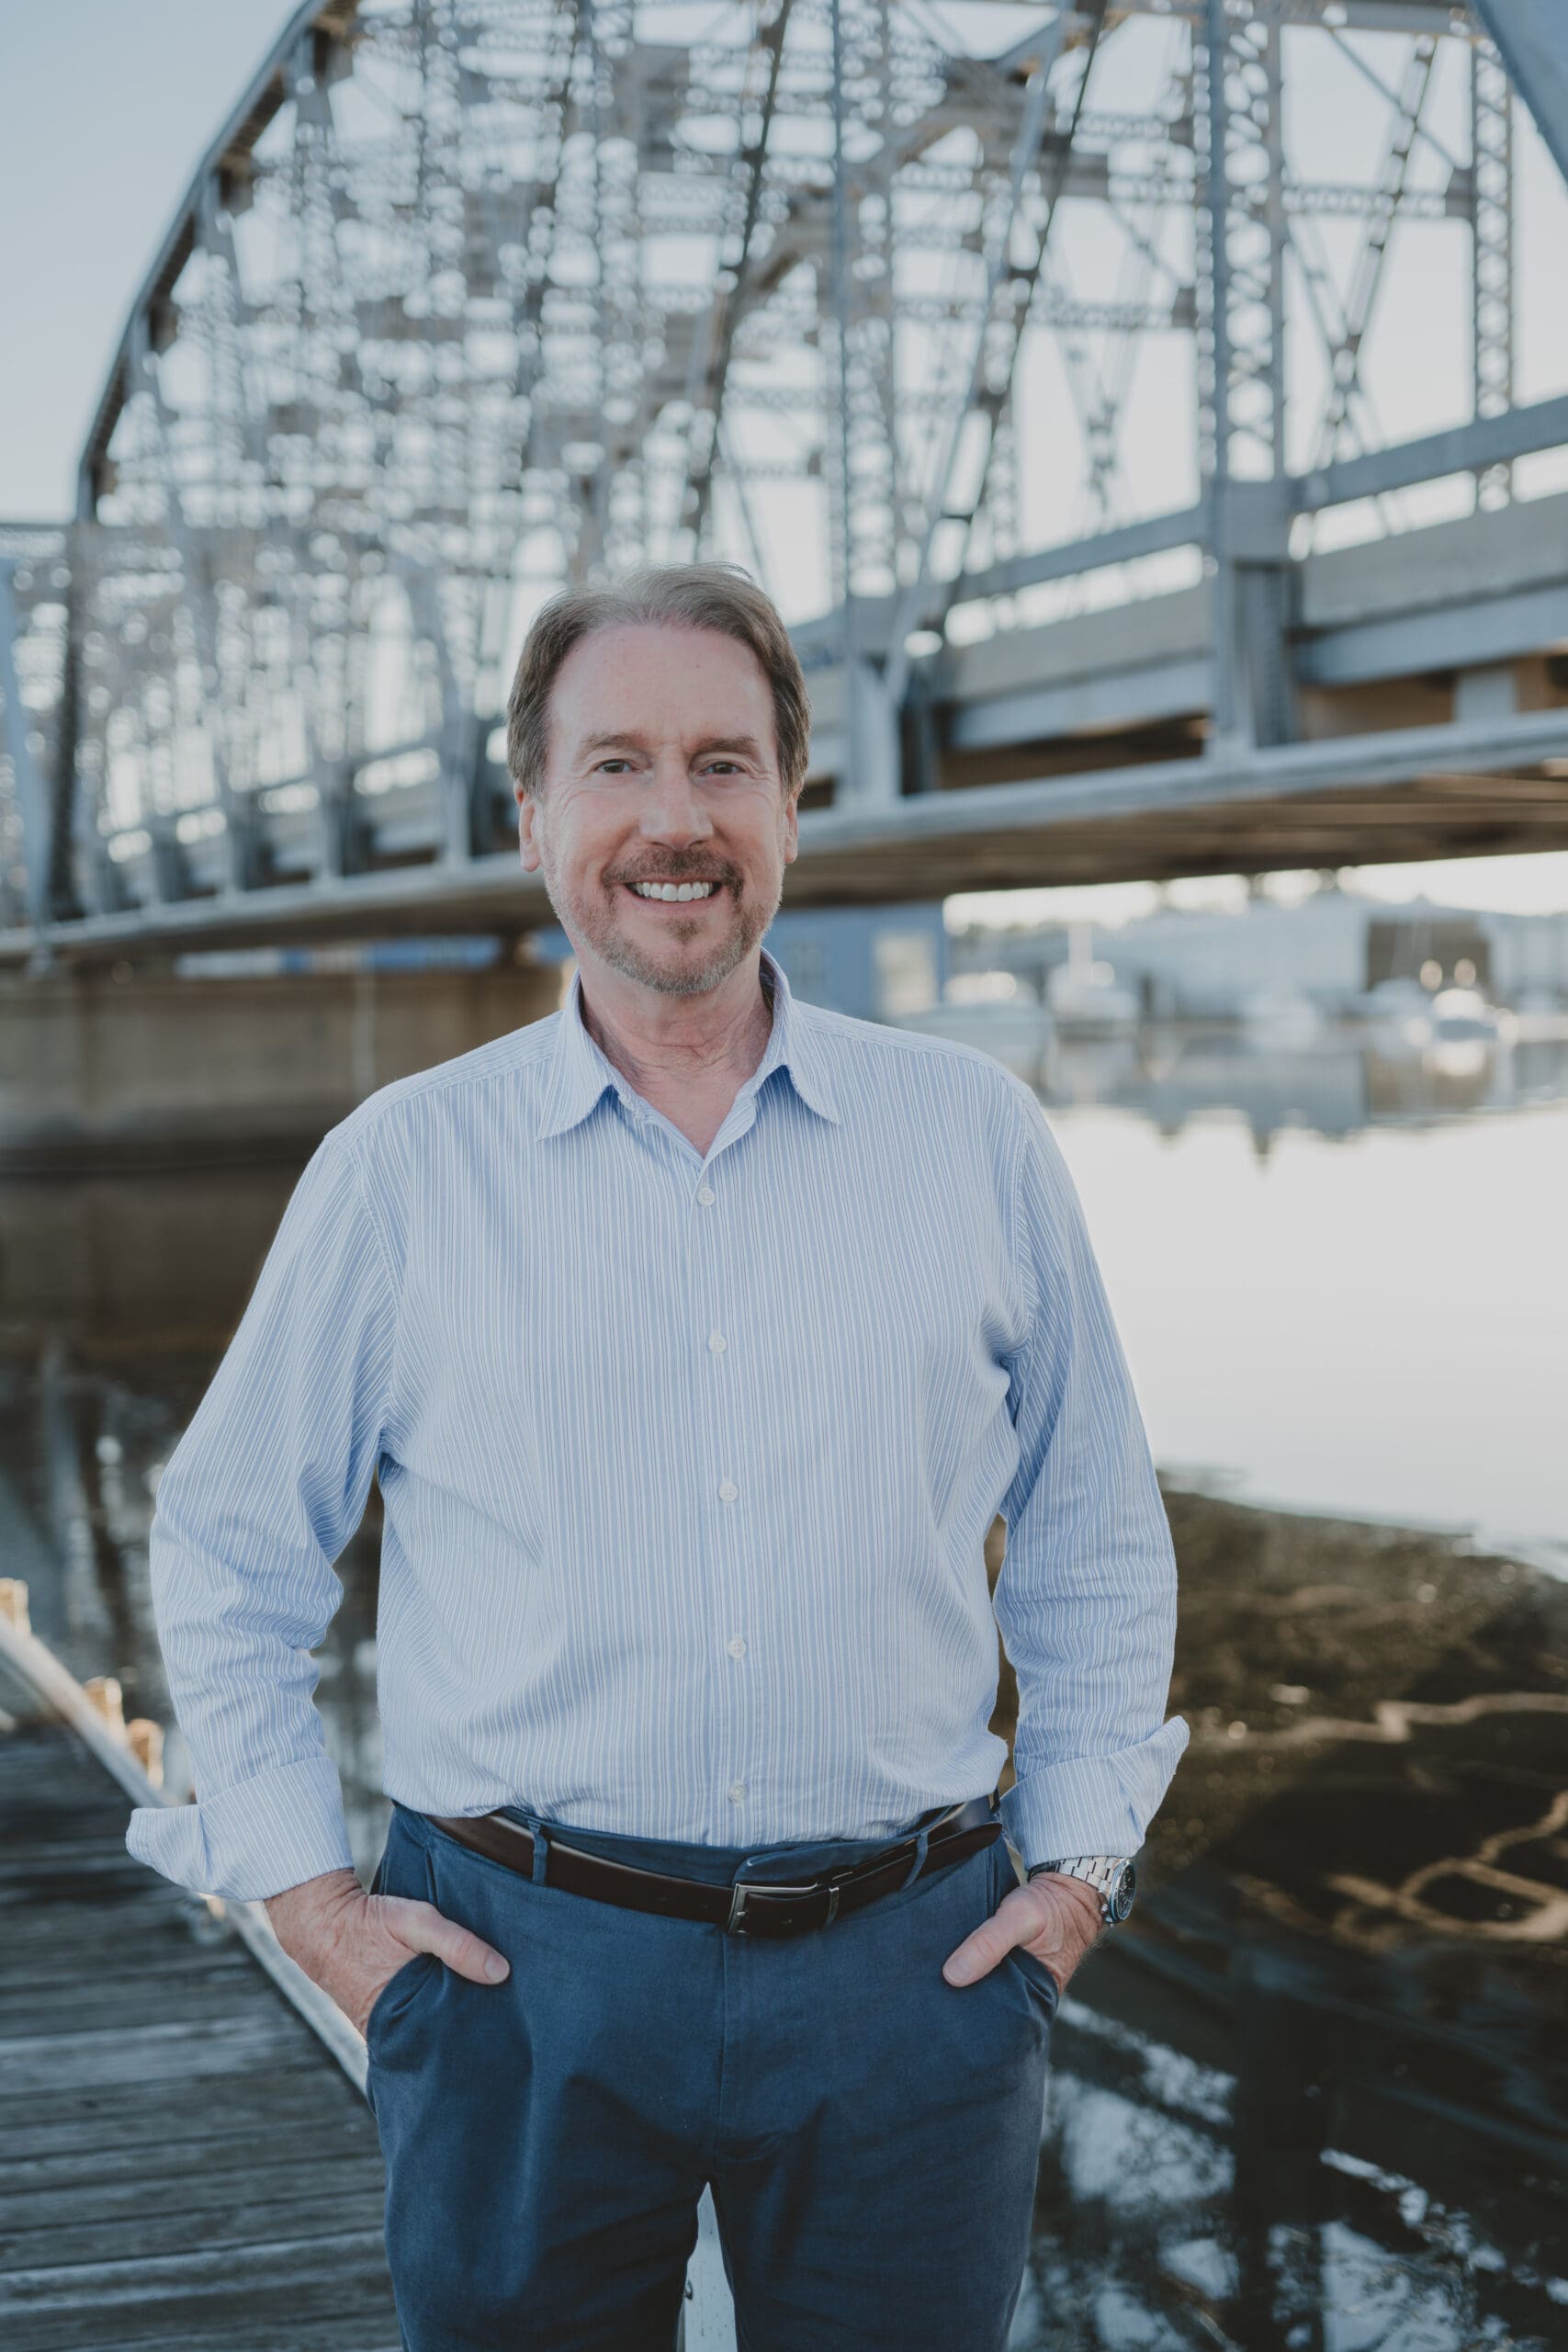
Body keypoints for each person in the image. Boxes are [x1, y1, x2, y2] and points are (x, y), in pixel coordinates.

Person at [126, 560, 1190, 2351]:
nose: (672, 819)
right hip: (515, 1976)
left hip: (908, 1978)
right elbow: (232, 1549)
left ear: (788, 800)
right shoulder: (401, 1170)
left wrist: (1075, 1867)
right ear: (534, 813)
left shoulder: (969, 1140)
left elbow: (1089, 1529)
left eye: (720, 761)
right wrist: (315, 1901)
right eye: (614, 764)